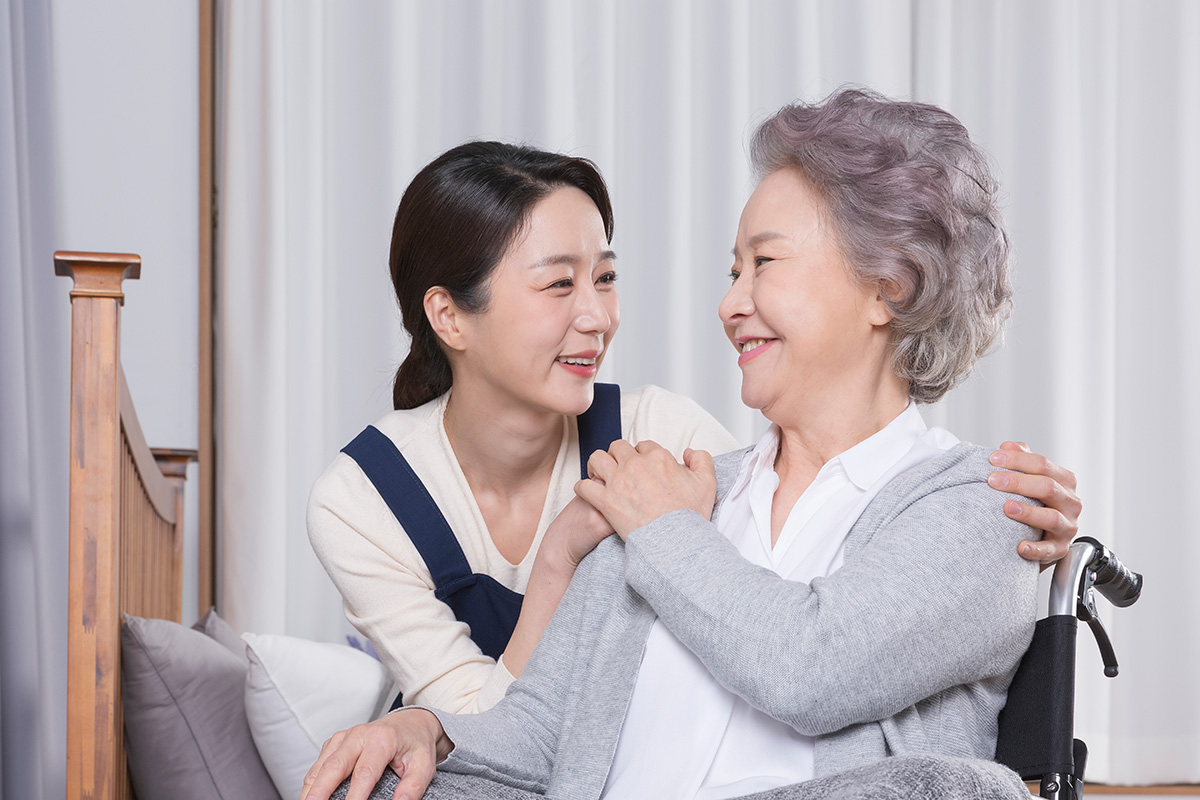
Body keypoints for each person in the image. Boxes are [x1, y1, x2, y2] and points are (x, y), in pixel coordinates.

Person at [302, 90, 1057, 800]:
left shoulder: (979, 509)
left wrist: (662, 529)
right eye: (733, 271)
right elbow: (540, 729)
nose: (730, 304)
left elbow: (810, 667)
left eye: (764, 263)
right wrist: (427, 729)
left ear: (890, 284)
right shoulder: (675, 486)